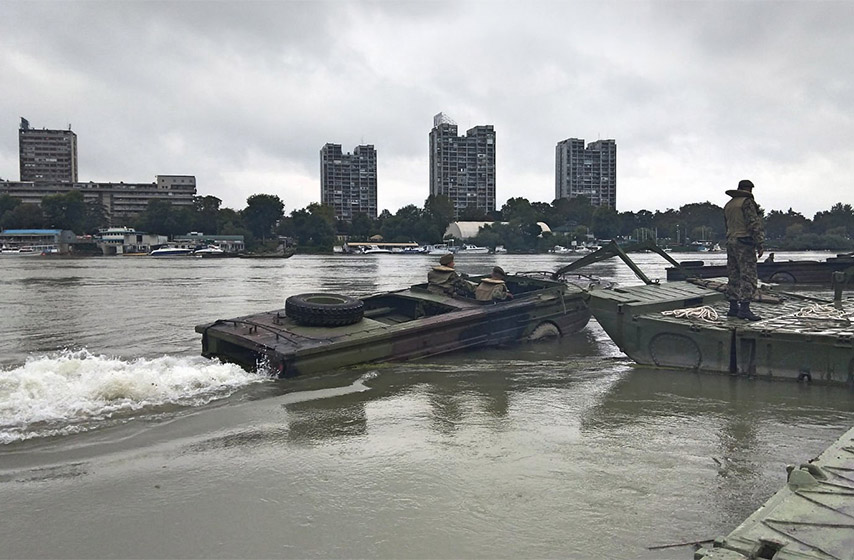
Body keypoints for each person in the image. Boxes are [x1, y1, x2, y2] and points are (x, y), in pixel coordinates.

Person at [724, 179, 765, 320]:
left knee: (733, 274)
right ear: (749, 190)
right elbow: (753, 223)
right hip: (744, 242)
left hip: (731, 241)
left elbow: (727, 225)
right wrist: (759, 243)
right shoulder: (746, 202)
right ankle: (745, 309)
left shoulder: (729, 205)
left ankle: (733, 308)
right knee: (748, 275)